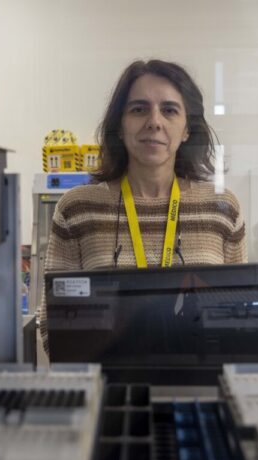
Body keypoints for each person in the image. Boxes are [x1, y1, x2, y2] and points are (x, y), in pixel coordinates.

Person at [39, 59, 247, 357]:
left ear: (187, 129)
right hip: (108, 393)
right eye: (139, 109)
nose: (154, 121)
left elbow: (241, 318)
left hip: (197, 393)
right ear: (120, 127)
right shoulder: (77, 209)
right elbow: (53, 329)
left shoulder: (222, 209)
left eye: (169, 110)